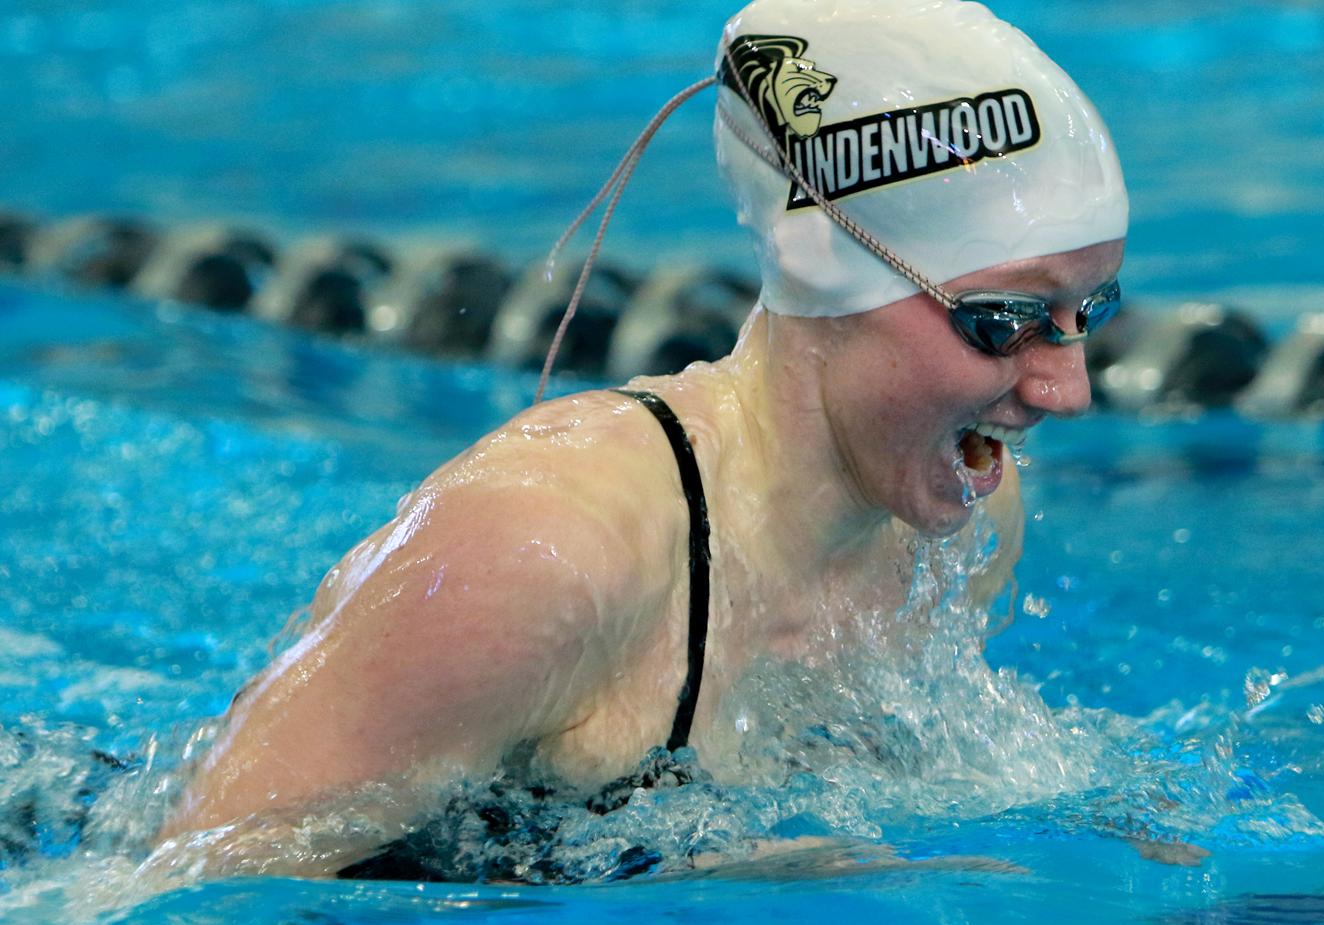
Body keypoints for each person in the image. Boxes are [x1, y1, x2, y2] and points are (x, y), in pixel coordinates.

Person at [154, 0, 1128, 879]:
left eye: (1093, 309)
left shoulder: (968, 513)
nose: (1065, 387)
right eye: (1002, 321)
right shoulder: (539, 553)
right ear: (824, 263)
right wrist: (677, 884)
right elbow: (180, 904)